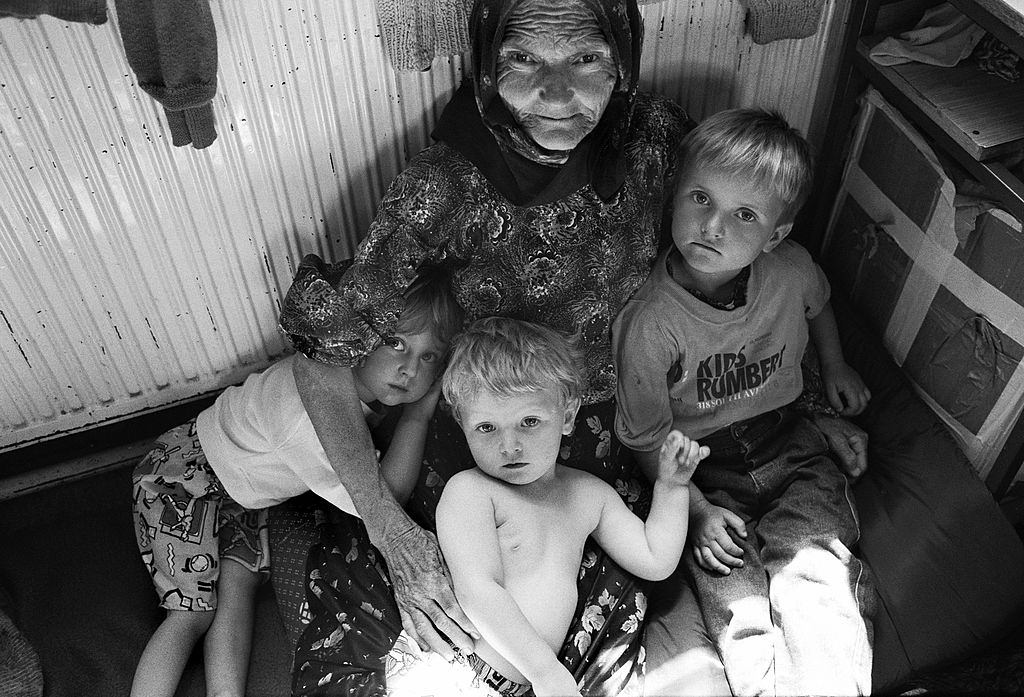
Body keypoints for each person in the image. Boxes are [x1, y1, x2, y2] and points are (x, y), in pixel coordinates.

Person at [269, 0, 870, 694]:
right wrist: (388, 528)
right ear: (488, 66)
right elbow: (321, 358)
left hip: (590, 446)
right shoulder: (441, 186)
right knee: (408, 636)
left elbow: (750, 231)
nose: (557, 94)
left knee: (593, 633)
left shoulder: (653, 142)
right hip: (483, 435)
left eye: (586, 58)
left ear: (623, 61)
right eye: (523, 58)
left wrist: (811, 403)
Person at [613, 107, 875, 696]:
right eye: (700, 199)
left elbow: (819, 303)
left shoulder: (791, 270)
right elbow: (643, 437)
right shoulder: (651, 322)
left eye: (745, 215)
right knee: (738, 605)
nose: (713, 227)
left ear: (774, 236)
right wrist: (698, 510)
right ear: (674, 197)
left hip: (793, 447)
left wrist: (833, 367)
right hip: (705, 470)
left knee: (816, 577)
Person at [129, 266, 462, 697]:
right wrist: (419, 413)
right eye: (395, 343)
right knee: (191, 614)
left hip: (242, 494)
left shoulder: (348, 378)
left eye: (428, 356)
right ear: (361, 338)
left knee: (239, 583)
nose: (409, 369)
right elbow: (385, 497)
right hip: (181, 478)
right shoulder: (308, 422)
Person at [391, 317, 700, 697]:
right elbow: (477, 588)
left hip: (539, 683)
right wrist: (544, 671)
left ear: (568, 416)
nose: (510, 446)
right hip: (455, 667)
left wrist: (672, 487)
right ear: (462, 424)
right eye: (486, 427)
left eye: (529, 422)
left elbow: (655, 559)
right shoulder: (470, 492)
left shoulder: (588, 494)